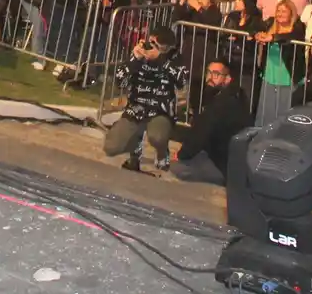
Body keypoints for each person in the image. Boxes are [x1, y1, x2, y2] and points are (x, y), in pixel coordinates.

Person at [103, 26, 188, 172]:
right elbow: (120, 82)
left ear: (167, 48)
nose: (151, 48)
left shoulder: (175, 59)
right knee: (111, 147)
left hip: (160, 110)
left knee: (157, 137)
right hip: (136, 108)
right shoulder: (139, 55)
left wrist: (160, 60)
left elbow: (182, 81)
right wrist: (134, 60)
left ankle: (162, 153)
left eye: (157, 46)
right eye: (151, 43)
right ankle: (134, 155)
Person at [171, 59, 249, 184]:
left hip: (223, 164)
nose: (210, 77)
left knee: (177, 167)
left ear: (227, 79)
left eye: (216, 74)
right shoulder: (232, 96)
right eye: (209, 73)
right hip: (224, 158)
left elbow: (201, 132)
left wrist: (182, 154)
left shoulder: (222, 102)